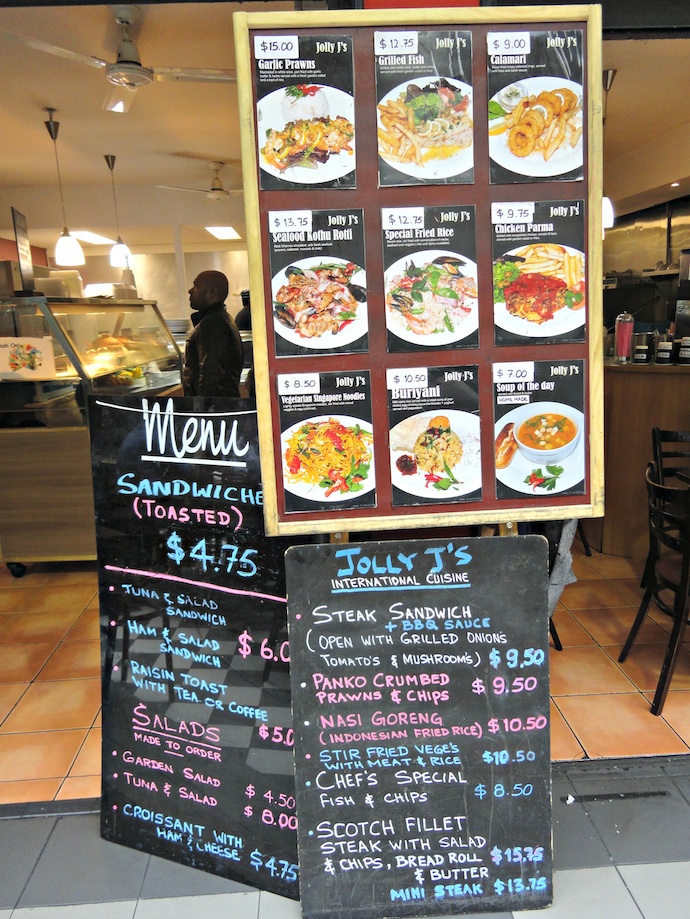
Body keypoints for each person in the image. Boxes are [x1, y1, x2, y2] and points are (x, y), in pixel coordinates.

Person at [182, 270, 243, 397]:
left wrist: (203, 406)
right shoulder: (222, 318)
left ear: (212, 292)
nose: (190, 291)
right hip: (224, 404)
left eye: (196, 286)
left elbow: (211, 377)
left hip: (215, 406)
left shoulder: (212, 324)